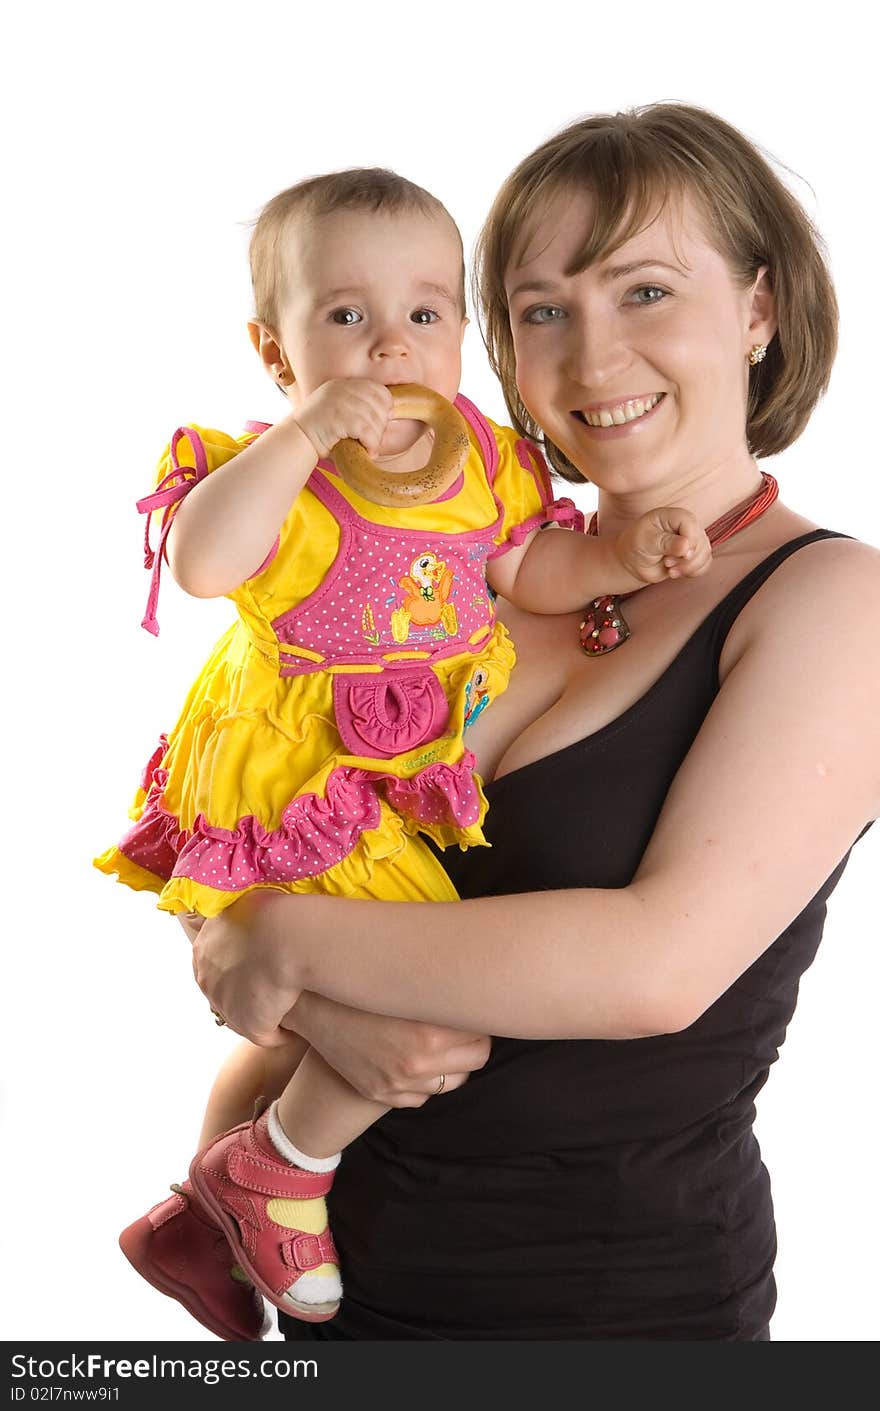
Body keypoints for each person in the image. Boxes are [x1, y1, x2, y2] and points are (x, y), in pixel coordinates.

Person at [189, 104, 880, 1342]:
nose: (591, 355)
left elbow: (651, 968)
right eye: (541, 308)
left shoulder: (837, 599)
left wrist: (278, 938)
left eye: (645, 290)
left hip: (608, 1305)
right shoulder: (465, 578)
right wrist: (292, 984)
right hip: (335, 1282)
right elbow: (273, 833)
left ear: (759, 310)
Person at [95, 168, 711, 1338]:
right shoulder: (277, 466)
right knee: (430, 1020)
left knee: (382, 993)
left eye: (425, 315)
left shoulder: (481, 462)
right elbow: (205, 563)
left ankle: (203, 1206)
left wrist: (633, 555)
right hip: (289, 763)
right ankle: (274, 1170)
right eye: (345, 317)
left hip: (384, 777)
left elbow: (529, 571)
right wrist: (303, 434)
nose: (390, 347)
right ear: (275, 352)